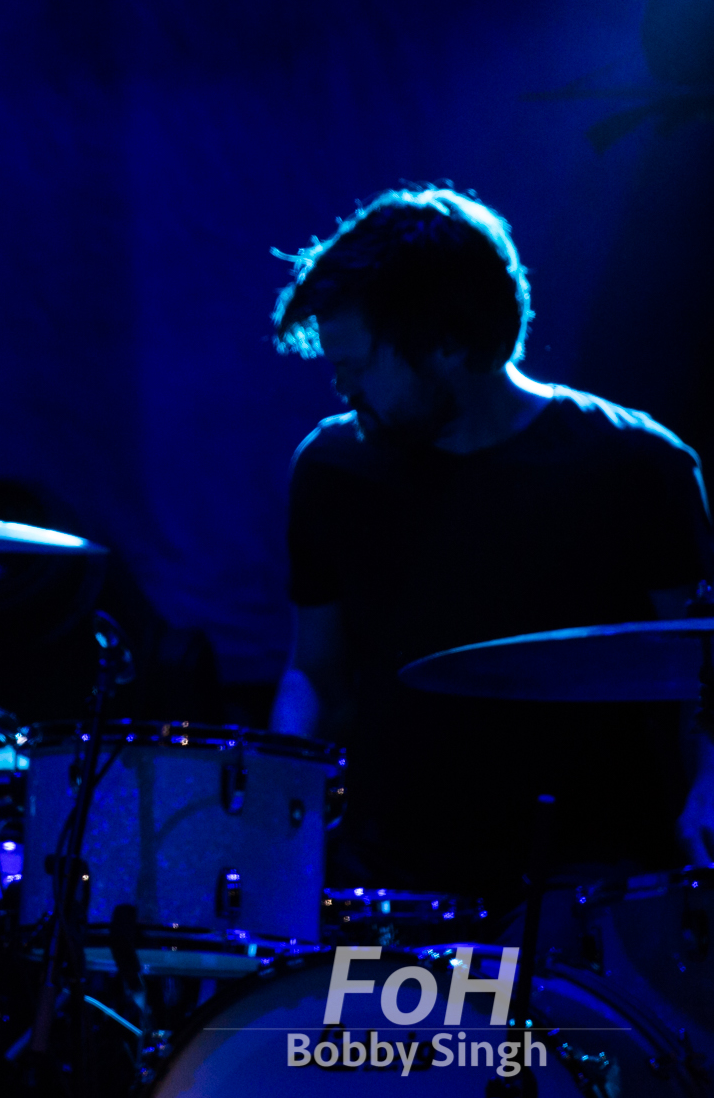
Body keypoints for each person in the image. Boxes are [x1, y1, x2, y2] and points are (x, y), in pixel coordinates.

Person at [268, 184, 714, 900]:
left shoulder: (638, 464)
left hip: (594, 881)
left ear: (448, 342)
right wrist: (281, 784)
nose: (342, 386)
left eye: (359, 365)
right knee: (359, 1019)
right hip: (387, 882)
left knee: (566, 1018)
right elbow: (315, 669)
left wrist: (708, 796)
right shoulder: (330, 467)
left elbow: (706, 668)